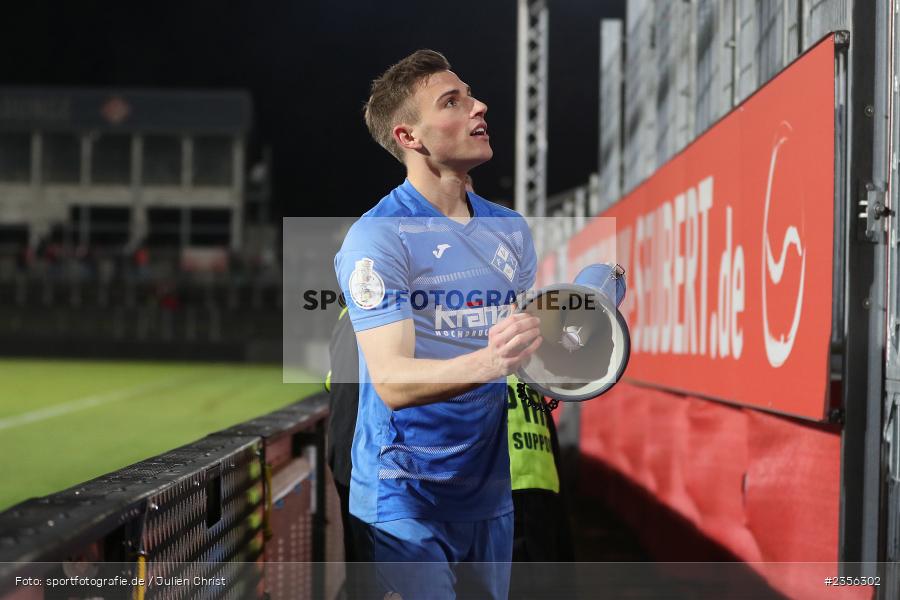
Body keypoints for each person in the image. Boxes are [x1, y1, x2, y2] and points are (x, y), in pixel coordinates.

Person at [333, 49, 542, 599]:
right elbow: (394, 383)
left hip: (488, 494)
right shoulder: (376, 237)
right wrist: (497, 361)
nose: (479, 106)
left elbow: (521, 350)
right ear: (410, 137)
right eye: (453, 101)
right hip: (403, 501)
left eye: (469, 94)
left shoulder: (512, 230)